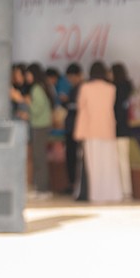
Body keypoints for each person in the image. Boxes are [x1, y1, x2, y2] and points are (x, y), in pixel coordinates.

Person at [74, 61, 122, 202]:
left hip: (91, 130)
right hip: (107, 129)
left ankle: (97, 195)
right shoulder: (111, 88)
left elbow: (81, 108)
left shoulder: (85, 88)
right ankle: (113, 194)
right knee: (109, 164)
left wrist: (79, 131)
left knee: (93, 165)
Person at [25, 62, 53, 199]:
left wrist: (28, 103)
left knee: (39, 158)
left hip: (39, 126)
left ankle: (42, 189)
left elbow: (37, 109)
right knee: (38, 157)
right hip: (40, 125)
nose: (27, 77)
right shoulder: (41, 87)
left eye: (28, 74)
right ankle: (39, 188)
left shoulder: (36, 89)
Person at [111, 62, 134, 200]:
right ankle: (127, 190)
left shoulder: (116, 89)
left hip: (118, 129)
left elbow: (116, 111)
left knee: (119, 160)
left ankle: (123, 190)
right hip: (127, 129)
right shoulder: (128, 87)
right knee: (124, 160)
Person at [63, 63, 83, 195]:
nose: (71, 80)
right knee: (70, 157)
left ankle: (78, 185)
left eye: (72, 77)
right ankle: (71, 184)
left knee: (77, 158)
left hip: (79, 128)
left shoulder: (83, 88)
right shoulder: (72, 89)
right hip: (70, 128)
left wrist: (68, 103)